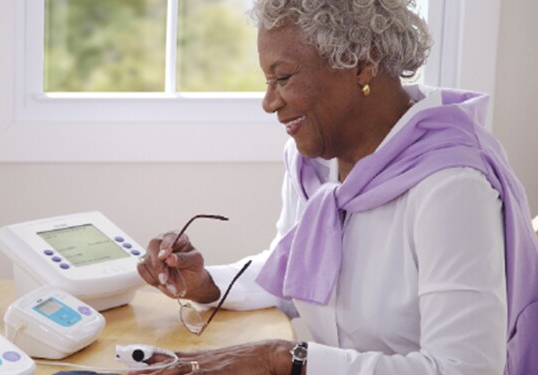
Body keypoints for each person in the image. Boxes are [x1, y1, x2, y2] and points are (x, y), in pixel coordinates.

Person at [136, 0, 538, 374]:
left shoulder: (450, 187)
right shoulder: (316, 162)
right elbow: (297, 271)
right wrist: (206, 284)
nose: (268, 102)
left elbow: (463, 368)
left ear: (362, 64)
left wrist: (282, 359)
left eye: (283, 77)